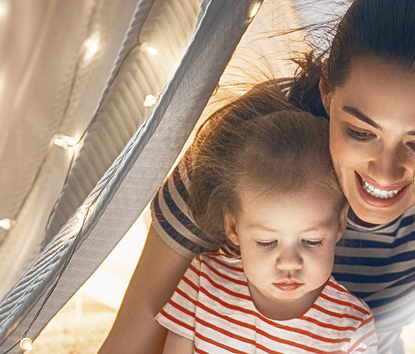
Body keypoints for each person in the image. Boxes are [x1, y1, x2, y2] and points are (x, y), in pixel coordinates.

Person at [101, 0, 415, 354]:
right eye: (360, 132)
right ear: (327, 92)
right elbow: (137, 329)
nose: (385, 172)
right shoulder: (245, 155)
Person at [155, 87, 376, 354]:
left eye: (312, 241)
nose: (289, 262)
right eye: (267, 242)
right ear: (233, 227)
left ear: (340, 224)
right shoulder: (204, 281)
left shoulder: (351, 324)